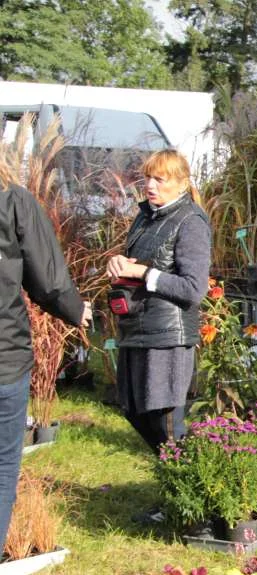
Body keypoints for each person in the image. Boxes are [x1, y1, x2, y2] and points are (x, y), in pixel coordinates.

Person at [0, 178, 91, 549]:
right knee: (3, 468)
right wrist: (75, 309)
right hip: (5, 359)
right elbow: (48, 280)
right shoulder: (12, 204)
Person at [106, 149, 211, 464]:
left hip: (169, 337)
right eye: (147, 177)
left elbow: (194, 289)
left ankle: (188, 501)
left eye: (159, 179)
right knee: (133, 410)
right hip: (136, 328)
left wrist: (144, 273)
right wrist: (118, 262)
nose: (150, 185)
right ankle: (176, 487)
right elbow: (139, 264)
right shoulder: (144, 217)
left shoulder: (191, 221)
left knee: (166, 424)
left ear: (180, 184)